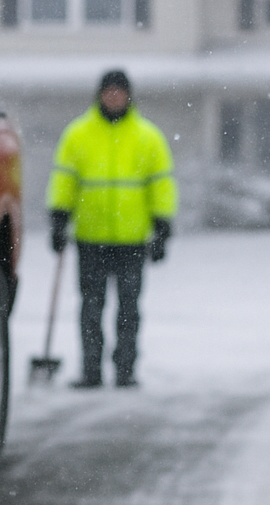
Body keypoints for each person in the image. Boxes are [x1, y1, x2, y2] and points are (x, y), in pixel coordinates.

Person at [47, 69, 176, 387]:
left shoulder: (148, 137)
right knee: (91, 307)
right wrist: (58, 218)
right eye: (109, 91)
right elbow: (65, 179)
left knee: (129, 308)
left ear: (129, 95)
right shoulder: (78, 135)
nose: (114, 97)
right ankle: (91, 369)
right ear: (100, 95)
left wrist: (162, 228)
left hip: (133, 239)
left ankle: (125, 370)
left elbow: (161, 185)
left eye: (120, 91)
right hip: (91, 238)